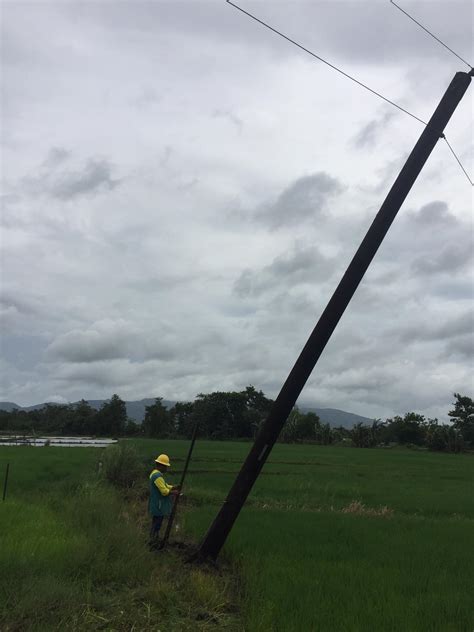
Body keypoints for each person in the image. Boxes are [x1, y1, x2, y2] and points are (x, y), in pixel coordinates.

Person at [148, 454, 179, 550]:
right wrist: (174, 492)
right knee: (157, 524)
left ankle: (153, 540)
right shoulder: (157, 476)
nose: (166, 468)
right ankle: (153, 542)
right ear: (160, 465)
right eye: (165, 466)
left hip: (156, 504)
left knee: (155, 523)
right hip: (159, 505)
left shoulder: (155, 474)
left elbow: (165, 485)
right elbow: (164, 491)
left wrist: (173, 487)